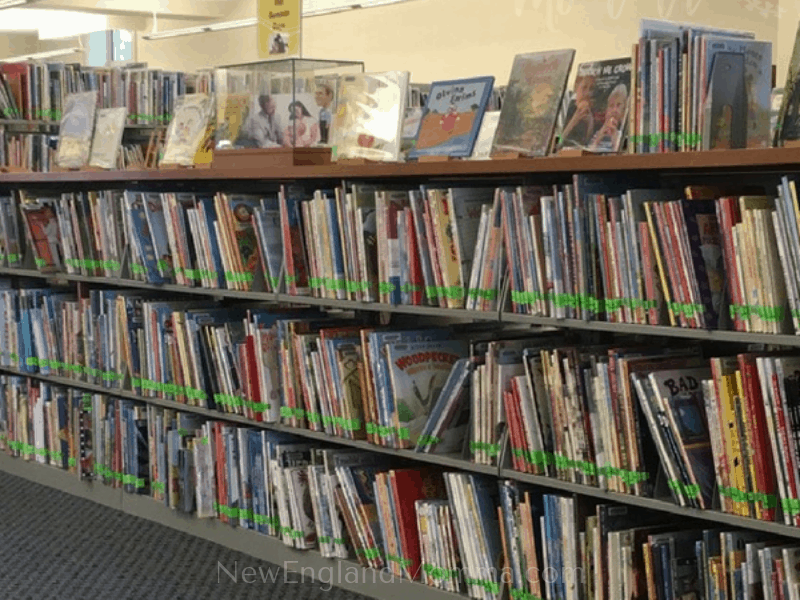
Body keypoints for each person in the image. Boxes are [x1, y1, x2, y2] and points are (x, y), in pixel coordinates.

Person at [589, 83, 628, 153]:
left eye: (618, 105)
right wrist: (598, 138)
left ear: (624, 110)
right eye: (611, 106)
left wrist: (615, 138)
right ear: (606, 111)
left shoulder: (624, 135)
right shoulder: (598, 133)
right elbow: (588, 154)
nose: (614, 110)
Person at [561, 75, 595, 148]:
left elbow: (590, 146)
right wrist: (573, 121)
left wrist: (590, 124)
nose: (587, 93)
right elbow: (559, 141)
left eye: (591, 89)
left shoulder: (595, 113)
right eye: (584, 87)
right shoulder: (566, 108)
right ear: (576, 88)